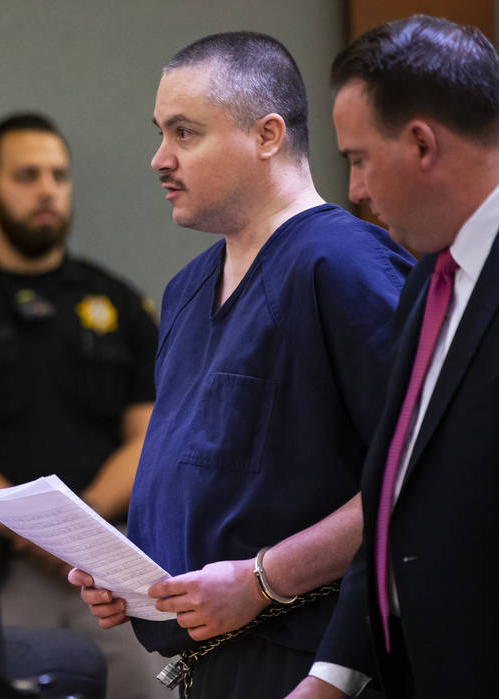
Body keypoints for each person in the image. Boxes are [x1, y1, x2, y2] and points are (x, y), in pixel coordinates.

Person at [67, 32, 414, 698]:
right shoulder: (185, 290)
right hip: (207, 666)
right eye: (161, 133)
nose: (159, 158)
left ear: (266, 135)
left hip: (316, 660)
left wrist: (264, 577)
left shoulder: (342, 265)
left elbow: (416, 481)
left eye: (185, 133)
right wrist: (133, 582)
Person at [0, 112, 168, 699]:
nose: (47, 189)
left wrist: (78, 527)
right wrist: (33, 533)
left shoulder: (119, 303)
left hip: (111, 564)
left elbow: (152, 435)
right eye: (27, 175)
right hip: (0, 571)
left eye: (58, 176)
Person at [288, 15, 499, 698]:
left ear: (420, 144)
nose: (354, 191)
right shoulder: (427, 284)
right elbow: (394, 508)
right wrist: (330, 677)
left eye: (357, 158)